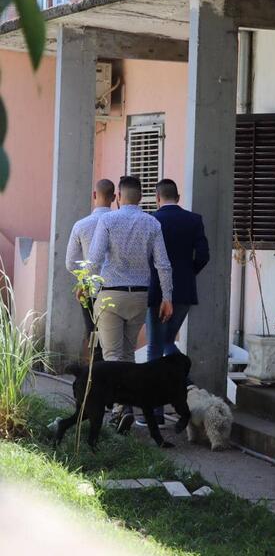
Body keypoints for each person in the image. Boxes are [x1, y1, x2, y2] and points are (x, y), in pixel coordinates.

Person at [87, 175, 173, 433]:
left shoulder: (107, 220)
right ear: (141, 197)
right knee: (127, 355)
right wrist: (167, 297)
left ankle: (120, 410)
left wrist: (88, 287)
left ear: (119, 198)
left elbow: (94, 259)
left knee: (112, 355)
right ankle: (125, 406)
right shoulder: (152, 223)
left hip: (111, 295)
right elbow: (163, 264)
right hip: (139, 297)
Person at [137, 178, 209, 427]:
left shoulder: (151, 220)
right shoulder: (194, 220)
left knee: (155, 349)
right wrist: (188, 274)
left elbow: (144, 256)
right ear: (178, 197)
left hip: (157, 291)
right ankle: (184, 381)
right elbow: (204, 255)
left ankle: (156, 412)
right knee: (167, 341)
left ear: (157, 198)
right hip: (184, 291)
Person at [65, 178, 115, 362]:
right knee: (116, 341)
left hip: (90, 290)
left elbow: (71, 263)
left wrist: (85, 278)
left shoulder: (81, 225)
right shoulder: (119, 223)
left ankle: (95, 370)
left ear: (94, 195)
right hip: (116, 288)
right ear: (114, 197)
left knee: (93, 333)